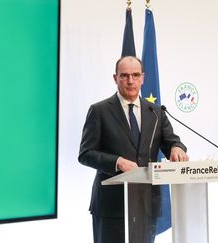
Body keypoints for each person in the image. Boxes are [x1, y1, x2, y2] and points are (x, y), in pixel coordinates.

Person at [78, 56, 188, 243]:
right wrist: (117, 162)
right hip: (111, 206)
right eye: (125, 75)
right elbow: (86, 154)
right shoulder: (99, 111)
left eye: (136, 75)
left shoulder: (156, 112)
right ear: (115, 78)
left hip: (146, 205)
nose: (130, 81)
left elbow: (171, 141)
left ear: (143, 78)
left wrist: (177, 148)